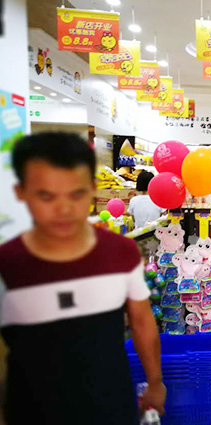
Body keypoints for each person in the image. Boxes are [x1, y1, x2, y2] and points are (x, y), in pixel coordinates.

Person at [0, 133, 165, 424]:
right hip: (30, 410)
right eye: (46, 196)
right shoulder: (8, 263)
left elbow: (141, 319)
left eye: (76, 194)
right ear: (21, 192)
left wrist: (155, 381)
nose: (63, 210)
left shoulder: (121, 253)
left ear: (92, 189)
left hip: (110, 406)